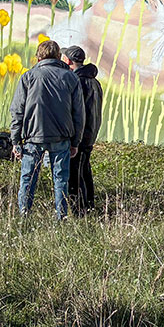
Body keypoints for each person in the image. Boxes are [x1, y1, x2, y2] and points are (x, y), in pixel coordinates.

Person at [11, 40, 84, 219]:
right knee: (61, 181)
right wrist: (76, 142)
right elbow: (79, 114)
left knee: (27, 181)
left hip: (33, 137)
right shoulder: (71, 78)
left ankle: (24, 217)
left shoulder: (28, 77)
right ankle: (61, 218)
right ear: (59, 56)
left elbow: (17, 110)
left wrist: (15, 140)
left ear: (39, 56)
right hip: (61, 137)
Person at [61, 45, 102, 215]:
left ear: (68, 60)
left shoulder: (76, 81)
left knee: (74, 174)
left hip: (80, 134)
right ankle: (89, 205)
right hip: (91, 133)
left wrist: (73, 136)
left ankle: (79, 211)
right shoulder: (94, 81)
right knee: (84, 170)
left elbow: (76, 111)